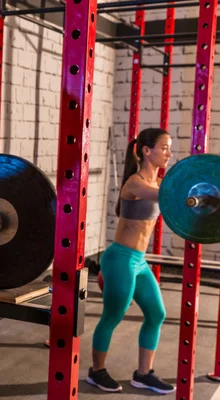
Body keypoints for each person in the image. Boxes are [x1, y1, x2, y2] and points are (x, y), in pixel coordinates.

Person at [86, 128, 175, 394]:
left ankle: (143, 374)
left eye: (169, 147)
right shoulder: (136, 183)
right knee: (113, 316)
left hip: (139, 261)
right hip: (120, 259)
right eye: (164, 147)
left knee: (156, 314)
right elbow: (167, 197)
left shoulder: (158, 183)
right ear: (147, 151)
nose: (169, 153)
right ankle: (96, 371)